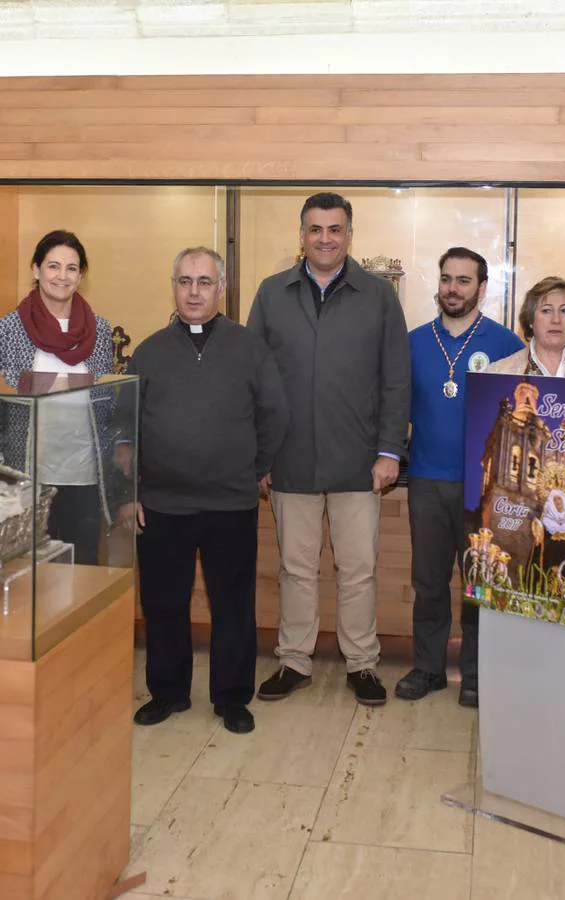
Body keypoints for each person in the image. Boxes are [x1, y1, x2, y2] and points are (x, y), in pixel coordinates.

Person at [247, 192, 410, 707]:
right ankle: (294, 660)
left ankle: (362, 664)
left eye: (334, 229)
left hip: (357, 460)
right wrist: (260, 456)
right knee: (296, 568)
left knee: (358, 569)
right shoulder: (272, 293)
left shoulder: (379, 295)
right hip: (289, 459)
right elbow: (253, 379)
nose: (324, 238)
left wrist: (390, 451)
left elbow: (395, 380)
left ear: (349, 236)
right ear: (302, 234)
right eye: (315, 229)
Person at [128, 247, 288, 735]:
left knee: (233, 604)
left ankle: (232, 697)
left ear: (221, 288)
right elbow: (125, 427)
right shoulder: (149, 351)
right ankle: (168, 692)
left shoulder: (249, 347)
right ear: (173, 286)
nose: (193, 291)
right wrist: (130, 488)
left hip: (230, 502)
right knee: (162, 603)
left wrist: (255, 468)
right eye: (184, 281)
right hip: (161, 504)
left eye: (204, 281)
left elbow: (275, 414)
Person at [394, 247, 522, 708]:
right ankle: (427, 668)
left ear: (482, 287)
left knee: (479, 584)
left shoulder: (507, 344)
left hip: (484, 488)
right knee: (428, 581)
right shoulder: (413, 342)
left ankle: (474, 673)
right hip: (426, 479)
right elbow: (395, 407)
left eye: (464, 280)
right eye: (447, 279)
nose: (453, 288)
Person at [0, 230, 120, 565]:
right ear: (36, 269)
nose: (62, 276)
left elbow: (107, 401)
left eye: (72, 268)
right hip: (28, 471)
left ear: (81, 275)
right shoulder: (9, 328)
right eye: (53, 266)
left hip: (84, 471)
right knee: (30, 571)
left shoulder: (100, 330)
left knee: (83, 566)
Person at [486, 276, 565, 377]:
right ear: (531, 319)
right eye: (546, 311)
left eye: (564, 310)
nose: (556, 320)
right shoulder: (498, 373)